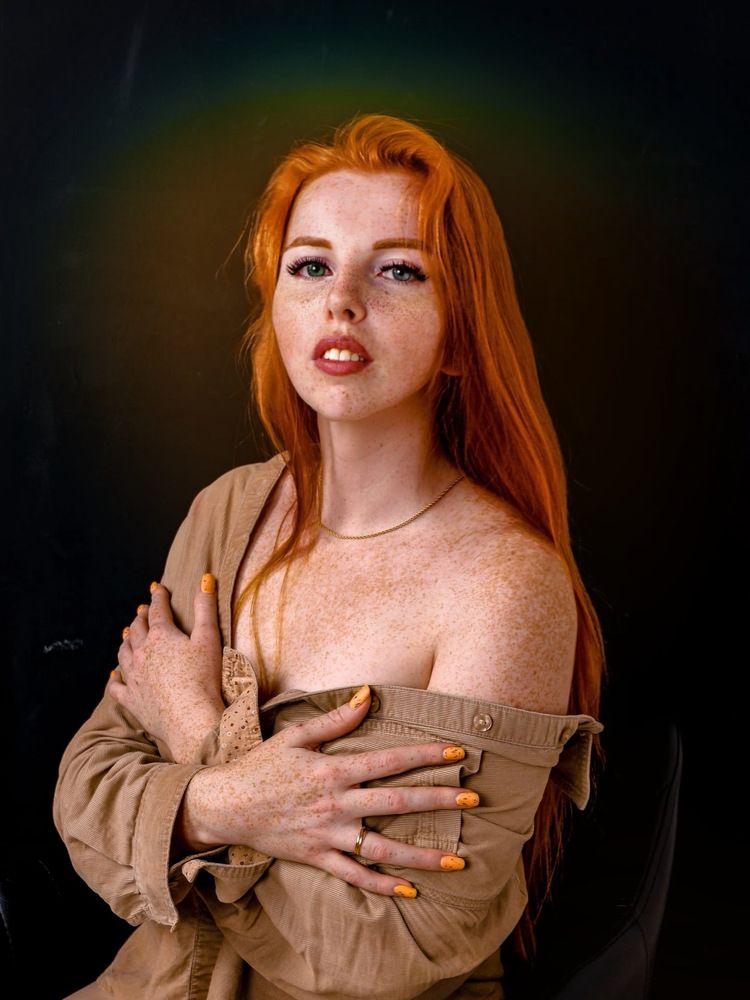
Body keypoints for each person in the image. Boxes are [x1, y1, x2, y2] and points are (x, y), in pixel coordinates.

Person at [54, 114, 604, 1000]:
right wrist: (242, 803)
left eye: (398, 270)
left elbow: (392, 948)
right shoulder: (227, 511)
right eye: (310, 266)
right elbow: (84, 797)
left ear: (460, 335)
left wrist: (196, 741)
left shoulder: (506, 584)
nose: (341, 301)